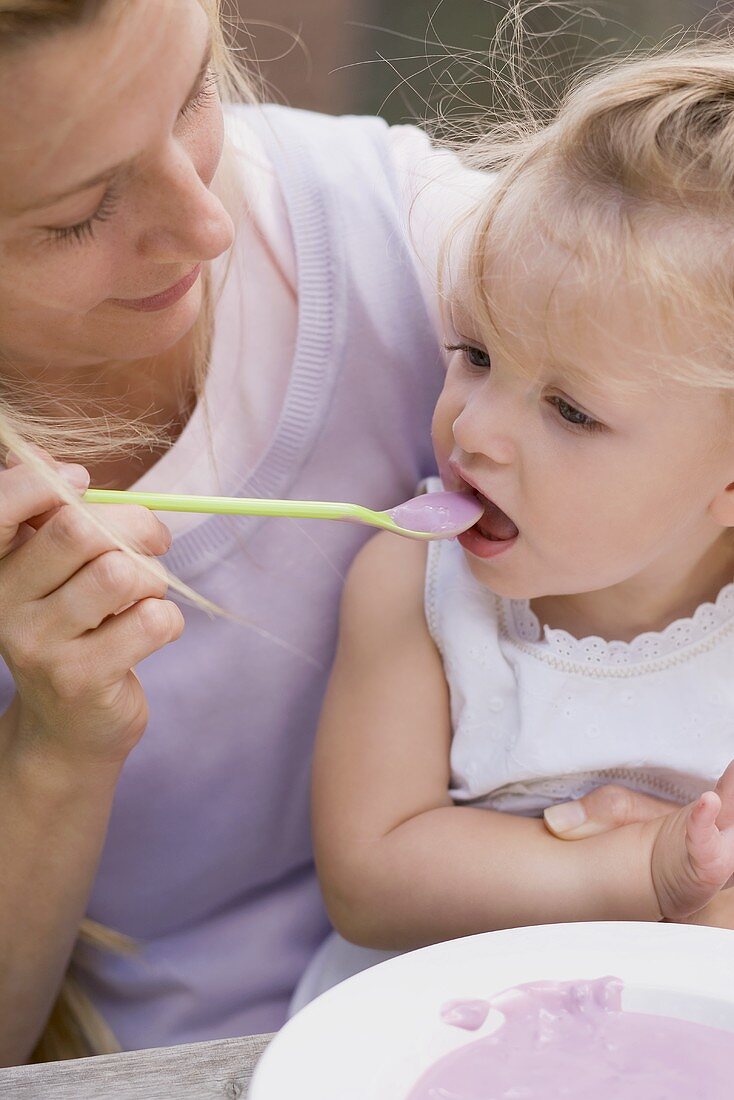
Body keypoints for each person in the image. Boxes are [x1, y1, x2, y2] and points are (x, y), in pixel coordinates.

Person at [0, 0, 506, 1064]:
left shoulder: (400, 236)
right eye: (78, 212)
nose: (205, 226)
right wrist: (56, 742)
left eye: (193, 92)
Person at [296, 41, 734, 1009]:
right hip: (437, 1032)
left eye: (570, 410)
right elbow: (370, 879)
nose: (474, 431)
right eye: (476, 353)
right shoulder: (412, 586)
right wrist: (638, 869)